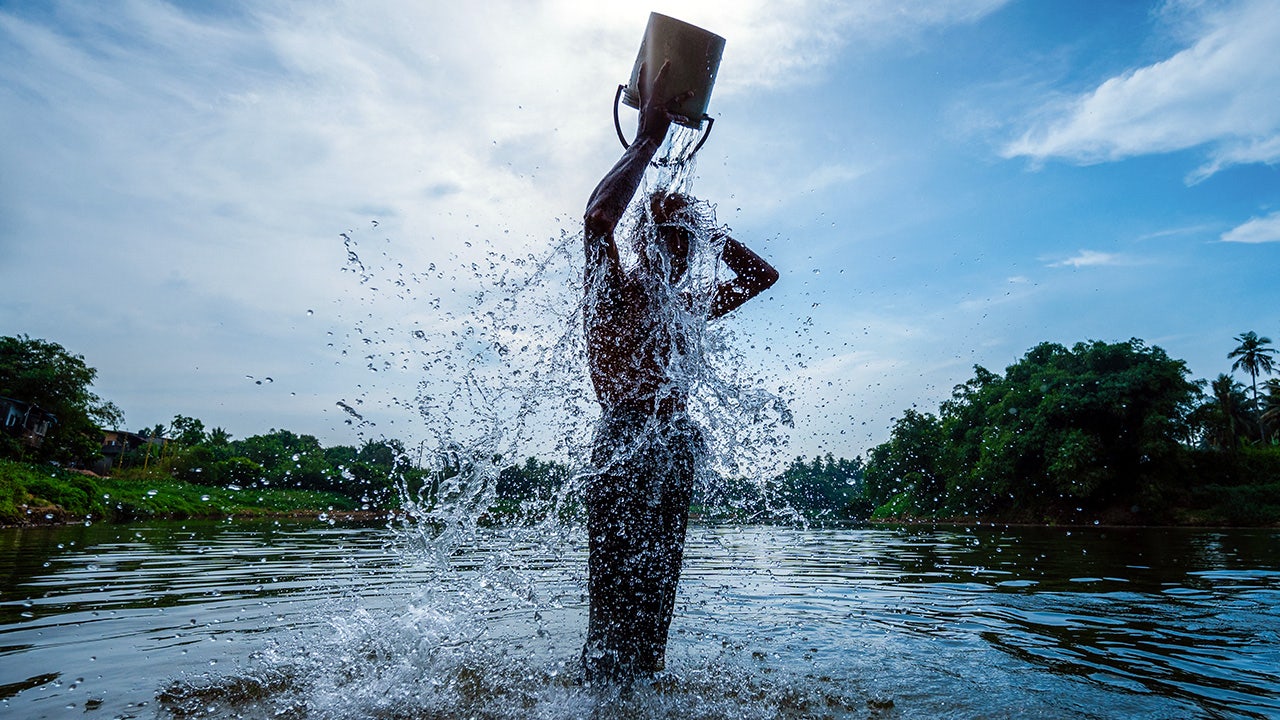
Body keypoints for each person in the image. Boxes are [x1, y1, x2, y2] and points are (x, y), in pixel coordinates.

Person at [580, 60, 778, 682]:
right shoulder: (610, 291)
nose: (683, 255)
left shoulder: (687, 310)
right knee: (612, 604)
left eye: (688, 247)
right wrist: (646, 142)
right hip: (625, 440)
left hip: (673, 443)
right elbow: (595, 221)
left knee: (655, 602)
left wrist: (701, 222)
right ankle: (597, 694)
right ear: (645, 243)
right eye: (670, 240)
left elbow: (761, 276)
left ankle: (643, 693)